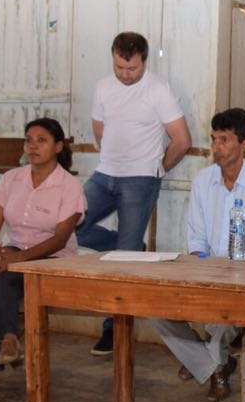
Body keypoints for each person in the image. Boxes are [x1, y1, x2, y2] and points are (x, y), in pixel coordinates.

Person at [150, 108, 245, 402]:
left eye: (224, 140)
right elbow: (196, 237)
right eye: (213, 139)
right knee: (154, 309)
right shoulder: (202, 180)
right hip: (205, 273)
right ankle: (215, 364)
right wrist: (204, 273)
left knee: (223, 316)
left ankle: (208, 367)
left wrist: (229, 279)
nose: (216, 146)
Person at [76, 31, 191, 357]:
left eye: (132, 69)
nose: (125, 75)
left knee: (123, 263)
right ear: (113, 58)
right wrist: (112, 158)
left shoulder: (158, 89)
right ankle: (129, 247)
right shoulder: (103, 87)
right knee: (70, 223)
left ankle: (112, 330)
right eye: (119, 68)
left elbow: (182, 140)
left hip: (141, 179)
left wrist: (158, 169)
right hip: (105, 174)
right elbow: (99, 129)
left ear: (144, 61)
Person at [0, 118, 87, 398]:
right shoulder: (12, 178)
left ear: (58, 146)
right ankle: (9, 338)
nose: (33, 146)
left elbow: (59, 239)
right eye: (28, 140)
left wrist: (14, 260)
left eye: (42, 140)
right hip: (16, 256)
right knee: (0, 269)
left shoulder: (69, 186)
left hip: (55, 261)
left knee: (1, 275)